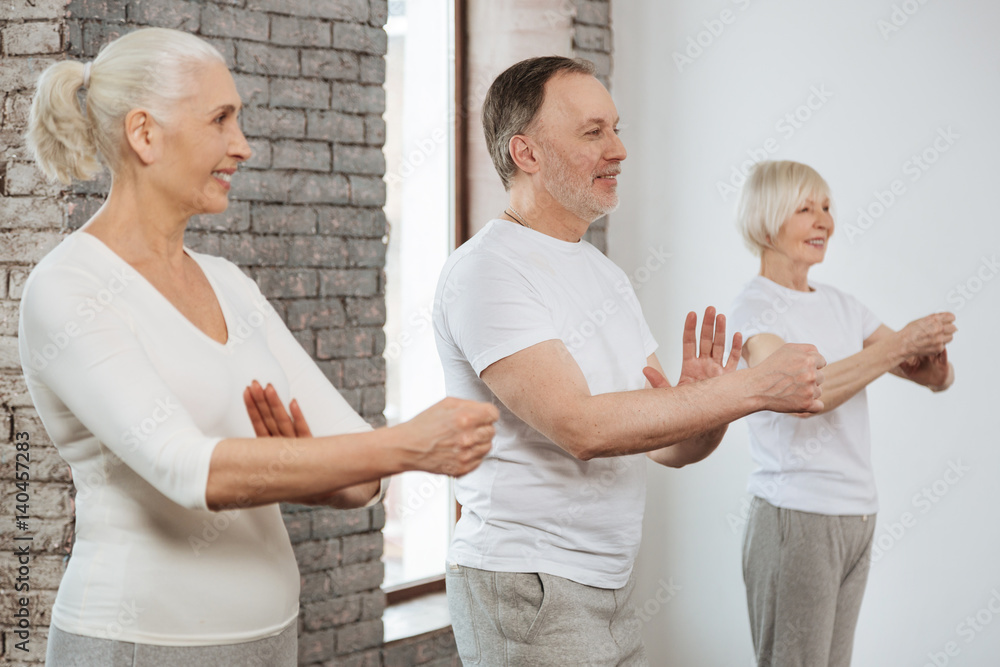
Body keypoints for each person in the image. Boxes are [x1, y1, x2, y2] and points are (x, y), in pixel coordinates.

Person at [20, 27, 498, 666]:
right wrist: (408, 443)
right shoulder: (69, 287)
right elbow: (186, 470)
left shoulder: (229, 285)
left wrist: (315, 465)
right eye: (221, 119)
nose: (241, 146)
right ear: (144, 134)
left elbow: (360, 484)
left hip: (271, 639)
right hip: (140, 644)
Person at [432, 56, 829, 666]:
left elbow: (667, 446)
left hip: (608, 583)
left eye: (616, 129)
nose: (618, 149)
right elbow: (582, 428)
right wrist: (750, 389)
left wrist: (705, 408)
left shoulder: (605, 275)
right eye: (593, 132)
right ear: (526, 153)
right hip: (526, 585)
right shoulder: (489, 269)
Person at [729, 160, 956, 667]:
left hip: (857, 515)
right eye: (806, 208)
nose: (824, 221)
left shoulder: (842, 304)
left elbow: (929, 373)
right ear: (766, 219)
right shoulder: (753, 309)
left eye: (827, 207)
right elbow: (802, 392)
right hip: (798, 516)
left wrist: (932, 364)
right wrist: (899, 345)